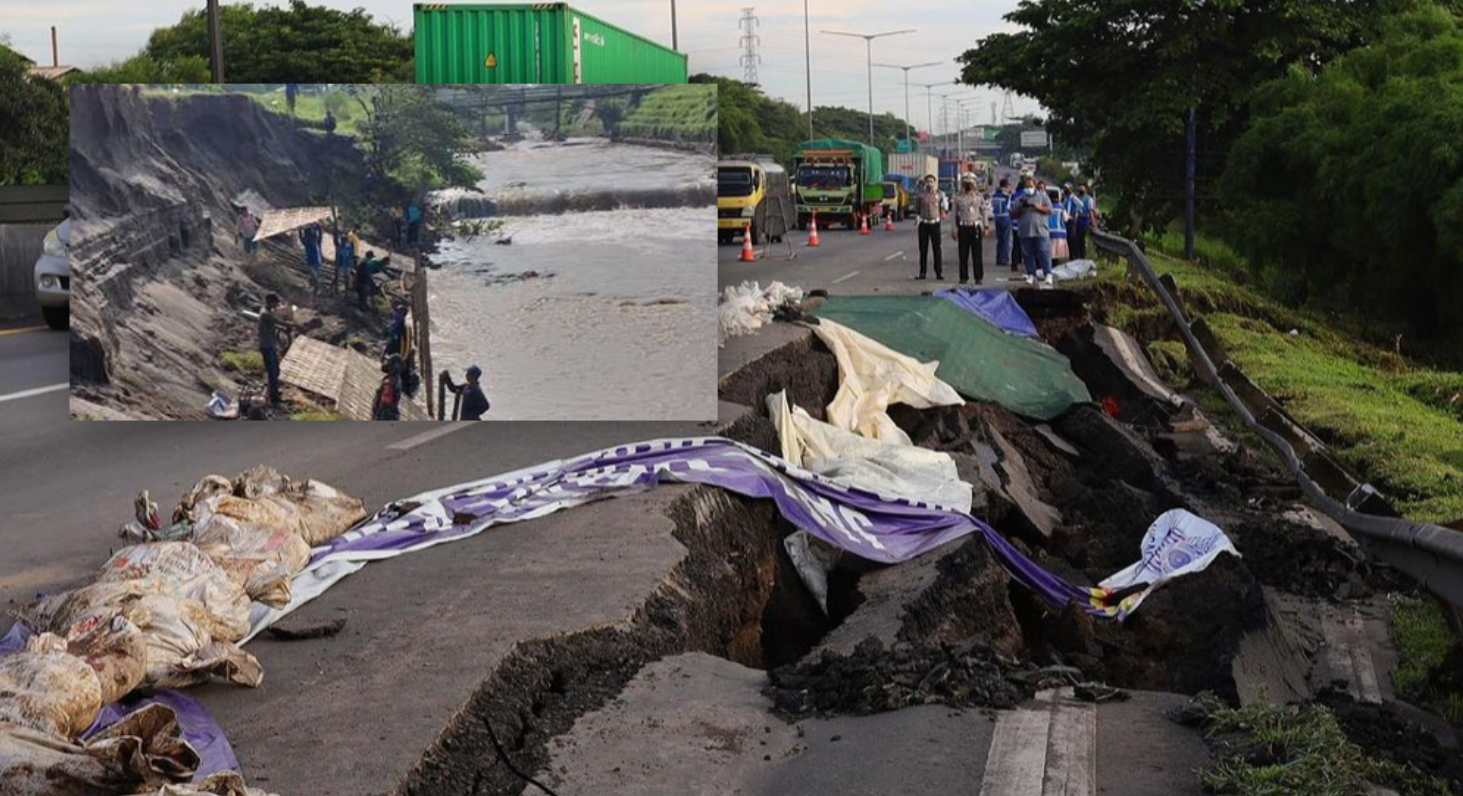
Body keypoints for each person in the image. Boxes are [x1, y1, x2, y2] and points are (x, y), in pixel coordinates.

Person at [951, 174, 990, 284]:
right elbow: (953, 215)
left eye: (970, 183)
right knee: (963, 254)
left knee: (977, 254)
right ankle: (963, 277)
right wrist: (954, 229)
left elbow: (984, 211)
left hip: (975, 227)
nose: (968, 185)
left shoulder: (978, 197)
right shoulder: (958, 198)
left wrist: (986, 225)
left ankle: (978, 277)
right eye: (966, 183)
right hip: (963, 227)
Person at [1014, 175, 1053, 286]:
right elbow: (1012, 214)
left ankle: (1048, 273)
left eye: (1030, 186)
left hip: (1040, 230)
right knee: (1027, 254)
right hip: (1025, 231)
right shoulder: (1020, 199)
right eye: (1026, 187)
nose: (1028, 188)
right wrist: (1021, 209)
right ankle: (1031, 274)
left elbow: (1050, 209)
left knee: (1043, 251)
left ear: (1035, 185)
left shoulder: (1043, 196)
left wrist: (1038, 207)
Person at [913, 174, 947, 280]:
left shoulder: (940, 194)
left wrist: (942, 213)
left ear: (935, 183)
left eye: (931, 181)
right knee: (923, 249)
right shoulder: (920, 195)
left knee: (937, 249)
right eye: (928, 181)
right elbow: (917, 209)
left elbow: (944, 207)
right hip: (924, 224)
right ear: (925, 183)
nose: (930, 183)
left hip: (935, 224)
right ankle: (922, 272)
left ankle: (939, 272)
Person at [258, 293, 283, 407]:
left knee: (276, 370)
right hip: (267, 346)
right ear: (271, 302)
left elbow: (275, 324)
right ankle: (274, 399)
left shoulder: (266, 311)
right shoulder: (266, 314)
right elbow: (279, 322)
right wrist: (292, 325)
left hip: (270, 345)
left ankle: (273, 392)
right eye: (276, 302)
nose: (277, 305)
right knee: (273, 373)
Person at [372, 354, 403, 421]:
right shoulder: (396, 379)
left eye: (389, 363)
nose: (387, 364)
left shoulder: (390, 383)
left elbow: (385, 400)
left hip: (385, 415)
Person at [991, 178, 1013, 269]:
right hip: (1005, 217)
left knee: (1000, 240)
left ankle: (999, 258)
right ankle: (1004, 260)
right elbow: (1009, 207)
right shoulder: (1006, 195)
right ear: (1006, 185)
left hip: (997, 218)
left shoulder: (995, 194)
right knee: (1005, 240)